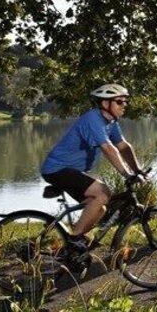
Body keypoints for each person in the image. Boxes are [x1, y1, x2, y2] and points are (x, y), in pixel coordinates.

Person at [40, 84, 146, 259]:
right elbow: (108, 148)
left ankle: (73, 246)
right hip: (57, 168)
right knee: (103, 192)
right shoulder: (93, 119)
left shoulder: (110, 122)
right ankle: (75, 238)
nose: (124, 105)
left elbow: (123, 146)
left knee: (100, 208)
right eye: (119, 101)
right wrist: (127, 174)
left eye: (125, 102)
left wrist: (138, 170)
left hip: (70, 170)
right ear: (105, 103)